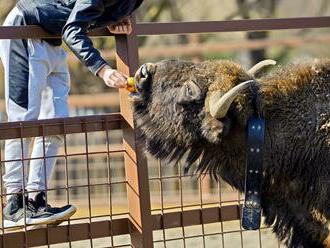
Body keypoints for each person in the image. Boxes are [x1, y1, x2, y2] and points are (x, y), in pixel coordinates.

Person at [0, 0, 143, 228]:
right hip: (25, 30)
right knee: (23, 120)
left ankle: (36, 200)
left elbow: (83, 16)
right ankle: (14, 205)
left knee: (57, 122)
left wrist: (115, 20)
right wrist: (103, 69)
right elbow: (73, 28)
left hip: (54, 42)